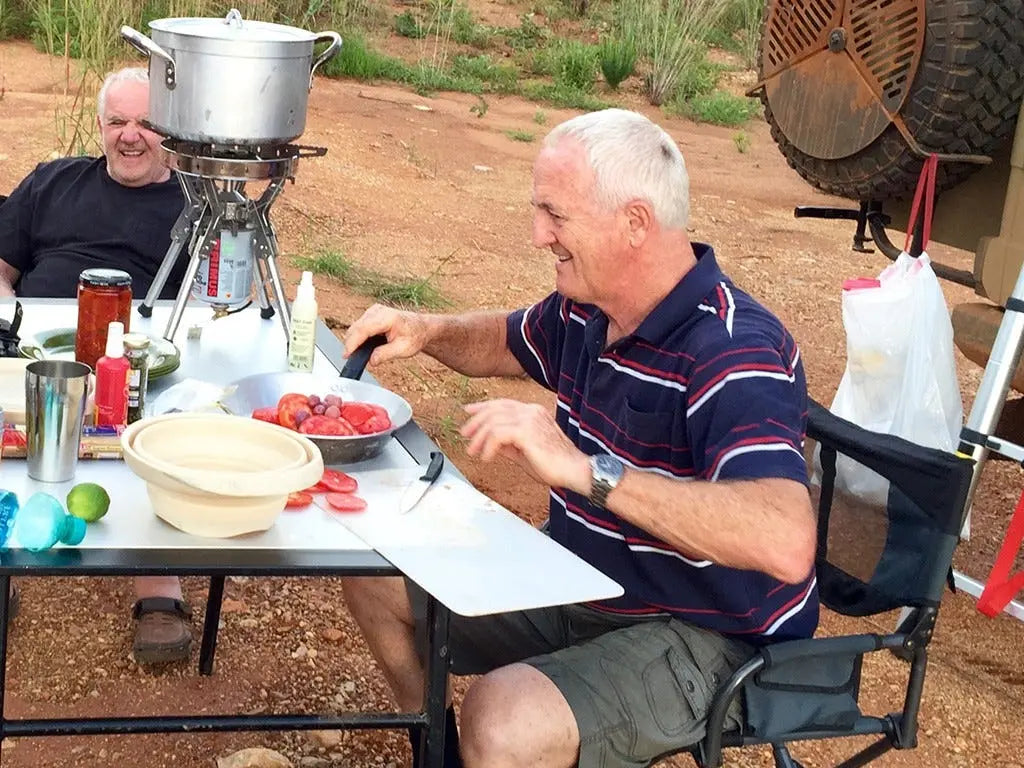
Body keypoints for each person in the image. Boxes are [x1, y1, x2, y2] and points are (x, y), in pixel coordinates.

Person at [340, 108, 819, 768]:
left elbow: (783, 539)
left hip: (705, 630)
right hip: (580, 581)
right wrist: (427, 330)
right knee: (374, 577)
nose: (538, 235)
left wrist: (587, 469)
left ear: (635, 223)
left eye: (555, 215)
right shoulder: (592, 306)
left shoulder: (732, 351)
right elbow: (508, 340)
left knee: (502, 720)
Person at [0, 66, 192, 664]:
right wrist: (9, 322)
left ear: (171, 129)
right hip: (39, 345)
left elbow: (221, 308)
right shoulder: (53, 181)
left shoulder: (197, 204)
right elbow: (2, 270)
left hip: (144, 353)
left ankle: (158, 584)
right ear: (100, 125)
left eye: (147, 122)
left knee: (163, 420)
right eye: (117, 121)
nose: (130, 135)